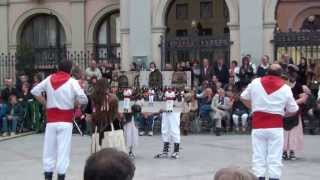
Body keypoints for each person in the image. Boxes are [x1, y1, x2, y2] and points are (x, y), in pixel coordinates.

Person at [31, 60, 88, 180]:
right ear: (70, 69)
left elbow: (34, 91)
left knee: (49, 149)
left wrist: (45, 103)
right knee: (63, 150)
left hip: (51, 121)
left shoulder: (49, 78)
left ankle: (48, 176)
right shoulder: (72, 82)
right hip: (65, 120)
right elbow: (84, 99)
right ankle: (61, 176)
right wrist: (74, 103)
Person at [240, 64, 299, 180]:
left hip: (258, 125)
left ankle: (258, 177)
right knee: (275, 157)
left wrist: (254, 107)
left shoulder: (256, 82)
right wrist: (282, 114)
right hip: (276, 126)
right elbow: (294, 109)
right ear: (281, 74)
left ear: (267, 72)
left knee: (258, 156)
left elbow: (243, 97)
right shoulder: (286, 88)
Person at [283, 64, 306, 161]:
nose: (291, 75)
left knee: (293, 132)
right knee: (284, 132)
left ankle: (292, 151)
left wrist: (293, 103)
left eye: (293, 73)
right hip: (284, 112)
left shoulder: (298, 85)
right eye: (290, 73)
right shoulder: (283, 85)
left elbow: (303, 99)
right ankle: (284, 151)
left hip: (295, 111)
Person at [155, 87, 181, 159]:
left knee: (174, 130)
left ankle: (176, 152)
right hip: (165, 112)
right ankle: (165, 152)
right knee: (165, 130)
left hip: (174, 113)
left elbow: (178, 103)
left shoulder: (178, 93)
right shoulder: (165, 91)